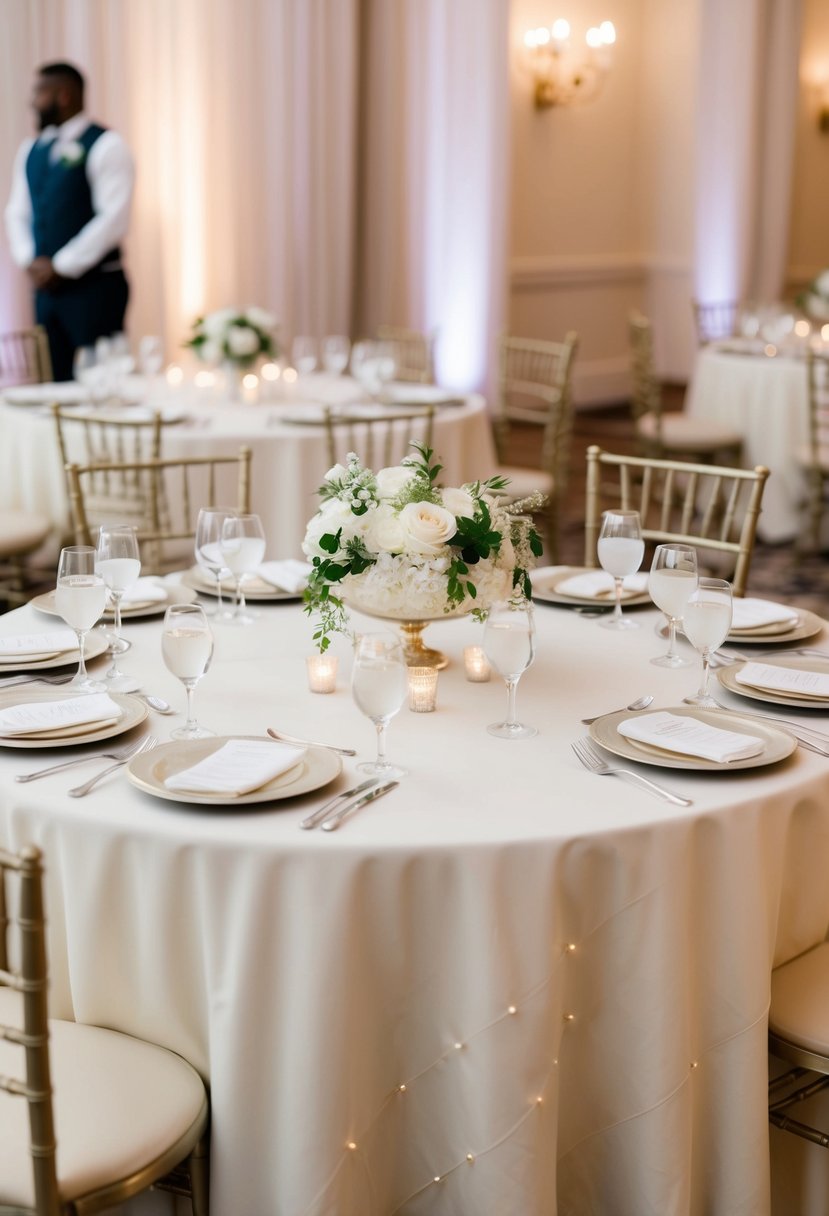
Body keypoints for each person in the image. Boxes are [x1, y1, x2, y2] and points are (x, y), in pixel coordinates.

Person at [4, 62, 135, 381]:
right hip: (46, 292)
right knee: (51, 384)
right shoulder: (30, 149)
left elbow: (113, 218)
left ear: (64, 95)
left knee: (102, 384)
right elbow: (17, 212)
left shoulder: (107, 144)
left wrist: (61, 265)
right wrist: (29, 260)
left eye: (40, 92)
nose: (32, 101)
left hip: (96, 288)